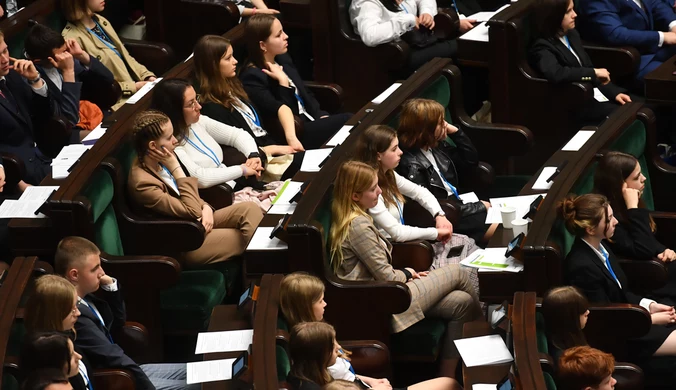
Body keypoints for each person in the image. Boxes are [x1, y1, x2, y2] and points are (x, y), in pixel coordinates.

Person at [329, 161, 482, 357]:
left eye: (377, 185)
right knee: (459, 272)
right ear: (355, 196)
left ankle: (449, 376)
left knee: (463, 302)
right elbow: (387, 277)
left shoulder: (358, 215)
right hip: (382, 300)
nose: (379, 192)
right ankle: (485, 331)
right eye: (373, 189)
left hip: (386, 291)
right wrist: (408, 273)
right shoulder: (358, 226)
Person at [53, 236, 198, 390]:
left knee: (199, 373)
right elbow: (112, 356)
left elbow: (116, 325)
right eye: (95, 269)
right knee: (197, 387)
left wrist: (111, 289)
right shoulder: (76, 315)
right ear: (74, 275)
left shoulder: (87, 298)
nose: (102, 273)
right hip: (116, 378)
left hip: (127, 368)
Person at [280, 273, 463, 390]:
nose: (326, 304)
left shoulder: (317, 342)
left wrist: (372, 381)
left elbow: (348, 376)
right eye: (320, 301)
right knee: (448, 384)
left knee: (450, 384)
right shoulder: (312, 346)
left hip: (364, 385)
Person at [127, 110, 264, 267]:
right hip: (183, 241)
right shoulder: (143, 183)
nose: (175, 141)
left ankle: (264, 270)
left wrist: (205, 207)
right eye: (169, 137)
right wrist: (176, 169)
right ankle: (264, 277)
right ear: (153, 145)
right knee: (242, 236)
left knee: (250, 209)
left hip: (197, 223)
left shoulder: (158, 157)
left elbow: (192, 200)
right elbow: (192, 210)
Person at [354, 125, 480, 293]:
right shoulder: (371, 191)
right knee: (464, 267)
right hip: (401, 252)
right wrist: (435, 233)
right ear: (378, 156)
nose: (401, 152)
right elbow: (397, 233)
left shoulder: (389, 174)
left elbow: (420, 192)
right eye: (394, 149)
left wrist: (439, 215)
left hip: (412, 243)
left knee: (468, 244)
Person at [558, 193, 676, 361]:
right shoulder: (581, 267)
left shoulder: (601, 247)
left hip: (632, 318)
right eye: (609, 219)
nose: (616, 222)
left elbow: (622, 292)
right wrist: (650, 319)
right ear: (591, 229)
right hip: (624, 335)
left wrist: (649, 305)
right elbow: (605, 319)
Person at [193, 34, 302, 181]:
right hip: (260, 161)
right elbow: (236, 152)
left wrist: (290, 139)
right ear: (213, 65)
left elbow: (278, 109)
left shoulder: (234, 85)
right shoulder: (211, 107)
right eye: (228, 58)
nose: (235, 61)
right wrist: (278, 149)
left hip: (273, 146)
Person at [240, 14, 351, 151]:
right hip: (296, 131)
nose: (286, 36)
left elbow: (304, 91)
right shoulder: (252, 77)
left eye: (283, 31)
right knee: (349, 121)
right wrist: (283, 83)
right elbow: (284, 114)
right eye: (278, 35)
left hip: (312, 119)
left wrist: (320, 114)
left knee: (355, 125)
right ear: (262, 45)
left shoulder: (282, 58)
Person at [396, 98, 493, 243]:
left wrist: (456, 133)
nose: (445, 125)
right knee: (502, 227)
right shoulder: (411, 165)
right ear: (426, 129)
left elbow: (470, 161)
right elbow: (432, 206)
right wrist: (478, 207)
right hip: (449, 215)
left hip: (458, 204)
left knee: (508, 217)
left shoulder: (435, 146)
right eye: (440, 122)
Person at [528, 0, 632, 127]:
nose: (575, 14)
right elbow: (557, 73)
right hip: (572, 102)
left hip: (592, 94)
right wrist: (593, 73)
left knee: (637, 105)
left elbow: (587, 66)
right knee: (627, 116)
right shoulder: (542, 46)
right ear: (553, 16)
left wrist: (614, 93)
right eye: (568, 12)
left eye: (573, 9)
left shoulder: (571, 33)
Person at [149, 78, 265, 188]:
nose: (199, 106)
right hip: (218, 196)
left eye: (196, 99)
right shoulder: (172, 143)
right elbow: (200, 178)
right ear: (175, 110)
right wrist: (242, 170)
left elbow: (236, 135)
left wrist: (253, 155)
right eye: (191, 104)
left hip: (235, 184)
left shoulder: (198, 121)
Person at [61, 0, 157, 109]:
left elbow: (126, 57)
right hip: (118, 101)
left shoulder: (100, 20)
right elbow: (94, 87)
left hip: (138, 87)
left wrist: (147, 76)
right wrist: (133, 87)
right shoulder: (71, 39)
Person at [25, 23, 115, 133]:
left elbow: (108, 79)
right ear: (39, 62)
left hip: (92, 116)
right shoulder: (33, 80)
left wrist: (81, 55)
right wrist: (68, 73)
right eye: (62, 53)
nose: (67, 55)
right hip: (69, 134)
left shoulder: (65, 57)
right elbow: (69, 120)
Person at [593, 151, 676, 263]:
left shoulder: (626, 202)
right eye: (637, 177)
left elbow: (648, 237)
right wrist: (633, 207)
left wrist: (663, 250)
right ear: (620, 185)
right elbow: (643, 250)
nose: (644, 178)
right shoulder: (609, 219)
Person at [0, 29, 57, 186]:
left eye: (5, 50)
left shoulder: (13, 75)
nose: (5, 59)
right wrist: (19, 184)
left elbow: (44, 115)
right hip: (21, 171)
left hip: (48, 153)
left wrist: (35, 81)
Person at [576, 0, 676, 81]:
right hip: (632, 62)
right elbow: (615, 34)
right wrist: (662, 37)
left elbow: (655, 3)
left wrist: (673, 24)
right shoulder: (595, 1)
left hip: (654, 50)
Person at [349, 0, 460, 71]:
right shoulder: (367, 3)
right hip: (394, 56)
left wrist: (426, 13)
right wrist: (407, 20)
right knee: (459, 46)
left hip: (418, 42)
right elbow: (370, 35)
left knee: (459, 45)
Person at [20, 332, 90, 390]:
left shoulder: (72, 380)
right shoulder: (55, 387)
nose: (79, 357)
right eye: (71, 355)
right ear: (53, 363)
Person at [541, 286, 590, 361]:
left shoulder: (567, 338)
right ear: (568, 318)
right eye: (581, 311)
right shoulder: (567, 358)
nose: (587, 312)